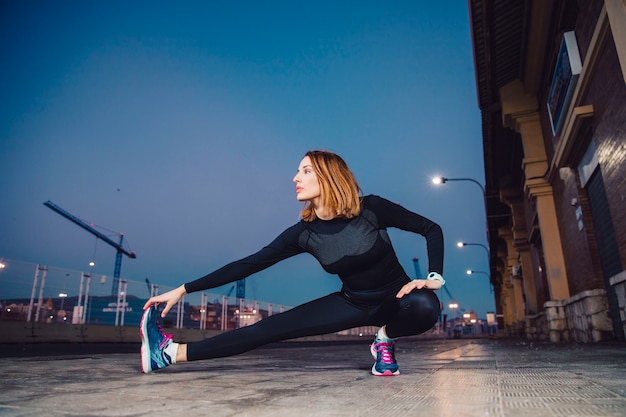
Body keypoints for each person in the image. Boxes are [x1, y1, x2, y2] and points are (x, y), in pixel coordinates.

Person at [141, 149, 444, 376]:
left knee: (427, 305)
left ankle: (385, 340)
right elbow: (248, 265)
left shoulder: (372, 210)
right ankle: (168, 354)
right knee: (268, 328)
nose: (295, 178)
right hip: (351, 303)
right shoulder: (304, 234)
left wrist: (434, 277)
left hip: (396, 298)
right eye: (297, 171)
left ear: (329, 176)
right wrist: (183, 289)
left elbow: (431, 229)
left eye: (305, 171)